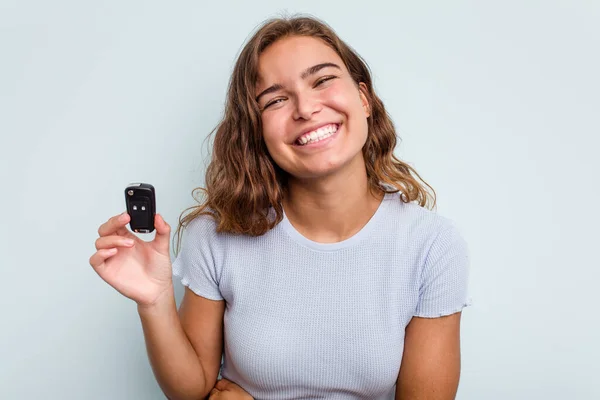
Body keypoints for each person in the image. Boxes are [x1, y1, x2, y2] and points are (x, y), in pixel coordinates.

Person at [90, 15, 471, 400]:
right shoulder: (217, 233)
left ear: (364, 99)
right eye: (275, 99)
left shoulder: (432, 246)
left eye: (322, 80)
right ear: (257, 131)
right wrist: (155, 302)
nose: (305, 108)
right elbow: (192, 390)